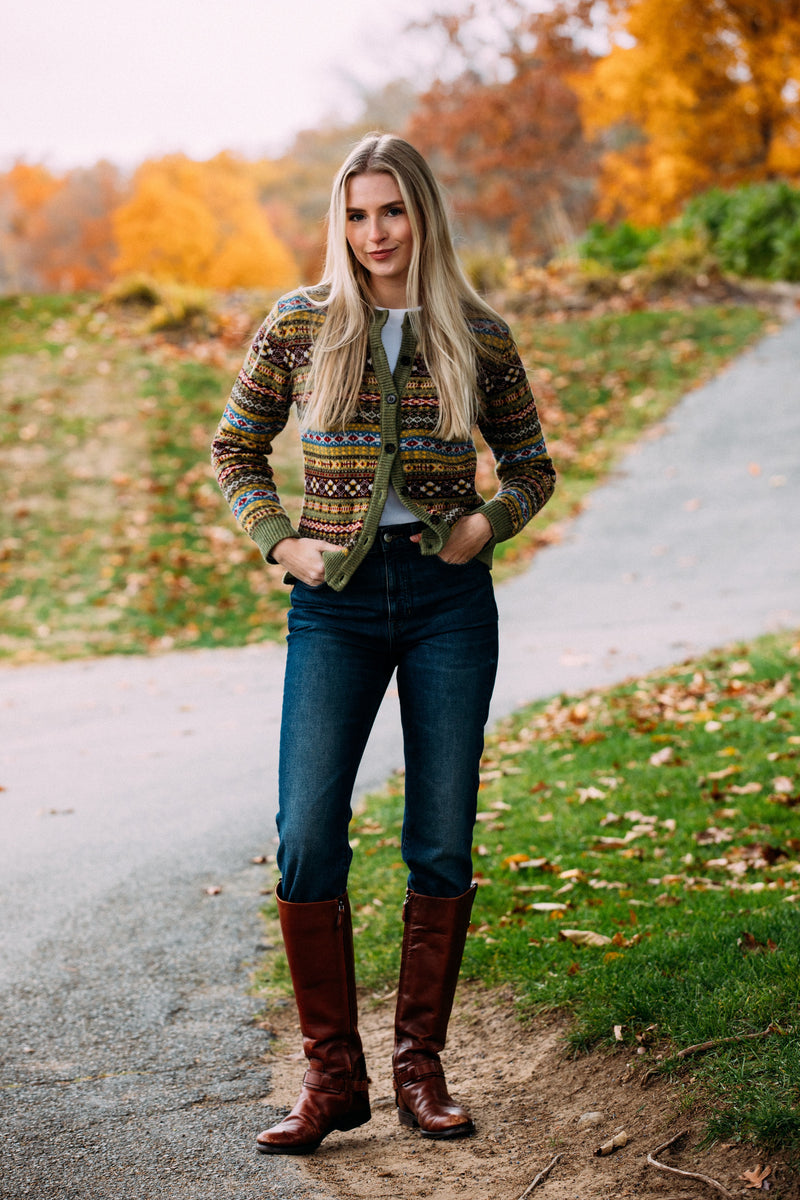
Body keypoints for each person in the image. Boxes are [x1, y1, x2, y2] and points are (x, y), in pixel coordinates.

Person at [211, 132, 555, 1155]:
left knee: (439, 838)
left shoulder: (477, 333)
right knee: (307, 833)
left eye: (392, 212)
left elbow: (530, 463)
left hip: (448, 602)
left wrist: (484, 524)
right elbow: (235, 446)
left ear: (423, 216)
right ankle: (332, 1079)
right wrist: (283, 544)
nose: (375, 234)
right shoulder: (301, 325)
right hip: (337, 604)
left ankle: (417, 1068)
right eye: (357, 214)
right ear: (340, 221)